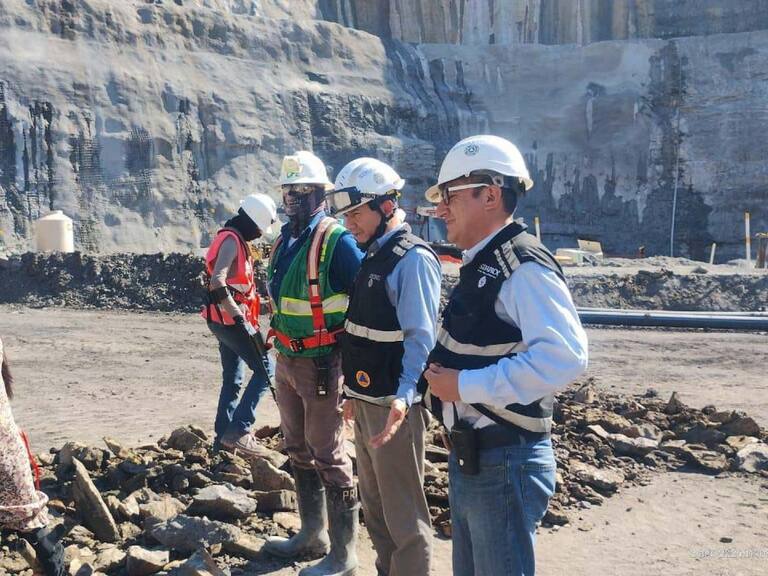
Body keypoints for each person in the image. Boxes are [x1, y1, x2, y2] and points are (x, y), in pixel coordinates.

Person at [420, 135, 589, 576]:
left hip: (504, 461)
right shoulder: (487, 260)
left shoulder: (523, 265)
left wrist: (463, 387)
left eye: (449, 196)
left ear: (490, 195)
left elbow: (565, 357)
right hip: (477, 459)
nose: (441, 210)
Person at [326, 157, 441, 576]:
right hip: (368, 403)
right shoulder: (374, 255)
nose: (349, 223)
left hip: (395, 409)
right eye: (346, 214)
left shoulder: (412, 260)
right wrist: (354, 395)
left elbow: (421, 338)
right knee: (376, 511)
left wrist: (405, 397)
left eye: (356, 212)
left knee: (404, 518)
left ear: (387, 206)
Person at [263, 151, 364, 576]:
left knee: (328, 453)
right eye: (289, 190)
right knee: (297, 446)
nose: (294, 198)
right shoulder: (287, 238)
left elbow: (365, 299)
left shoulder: (335, 240)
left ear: (321, 193)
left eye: (303, 190)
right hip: (287, 357)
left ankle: (344, 556)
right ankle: (311, 535)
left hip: (322, 361)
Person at [202, 193, 278, 457]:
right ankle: (239, 430)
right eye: (259, 228)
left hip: (220, 321)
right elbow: (217, 282)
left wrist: (266, 306)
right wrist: (238, 317)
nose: (259, 234)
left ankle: (222, 442)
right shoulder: (232, 242)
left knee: (233, 379)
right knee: (267, 368)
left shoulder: (232, 238)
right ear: (251, 222)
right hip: (231, 323)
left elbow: (238, 288)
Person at [0, 337, 65, 576]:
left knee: (24, 514)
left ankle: (50, 556)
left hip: (4, 451)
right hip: (8, 450)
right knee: (25, 514)